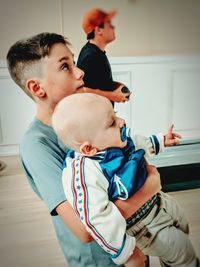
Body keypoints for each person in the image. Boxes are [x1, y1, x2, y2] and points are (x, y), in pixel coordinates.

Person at [6, 32, 162, 267]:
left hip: (135, 243)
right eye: (65, 67)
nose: (80, 73)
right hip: (100, 261)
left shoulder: (87, 121)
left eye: (74, 62)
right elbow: (84, 229)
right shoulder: (37, 145)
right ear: (37, 88)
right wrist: (150, 187)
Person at [52, 93, 198, 267]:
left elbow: (137, 143)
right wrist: (126, 253)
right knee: (184, 254)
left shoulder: (113, 142)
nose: (121, 121)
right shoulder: (85, 173)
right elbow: (97, 218)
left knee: (181, 234)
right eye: (112, 122)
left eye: (115, 114)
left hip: (160, 202)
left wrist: (160, 141)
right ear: (89, 148)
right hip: (143, 225)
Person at [77, 8, 131, 105]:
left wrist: (115, 86)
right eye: (110, 24)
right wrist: (113, 96)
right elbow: (81, 90)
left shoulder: (96, 52)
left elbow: (95, 84)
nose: (113, 28)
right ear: (98, 30)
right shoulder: (90, 56)